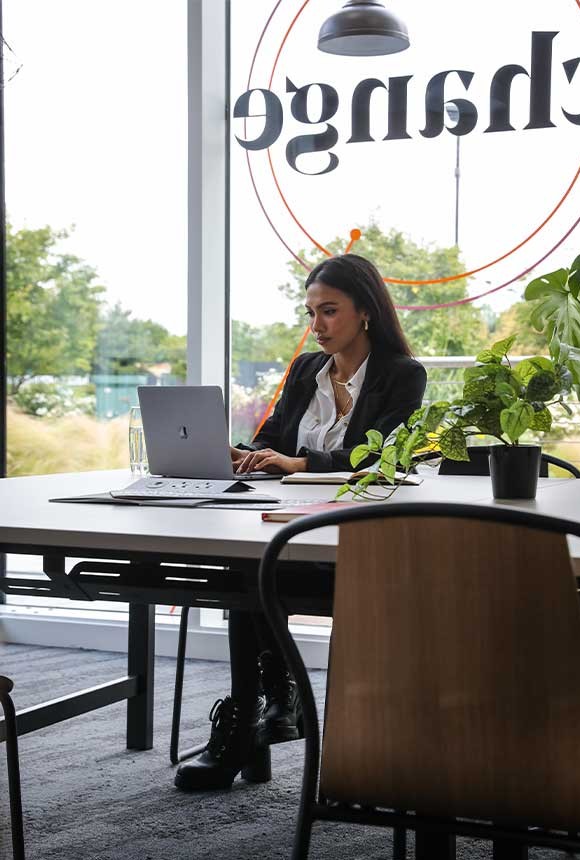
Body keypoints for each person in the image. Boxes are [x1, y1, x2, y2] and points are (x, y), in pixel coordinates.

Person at [175, 253, 427, 791]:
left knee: (249, 577)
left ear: (366, 312)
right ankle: (266, 706)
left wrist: (302, 463)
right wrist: (246, 455)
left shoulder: (402, 376)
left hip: (355, 540)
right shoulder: (306, 371)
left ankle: (261, 711)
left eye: (329, 311)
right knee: (245, 570)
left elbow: (379, 458)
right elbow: (272, 439)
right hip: (285, 527)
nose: (317, 326)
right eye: (311, 312)